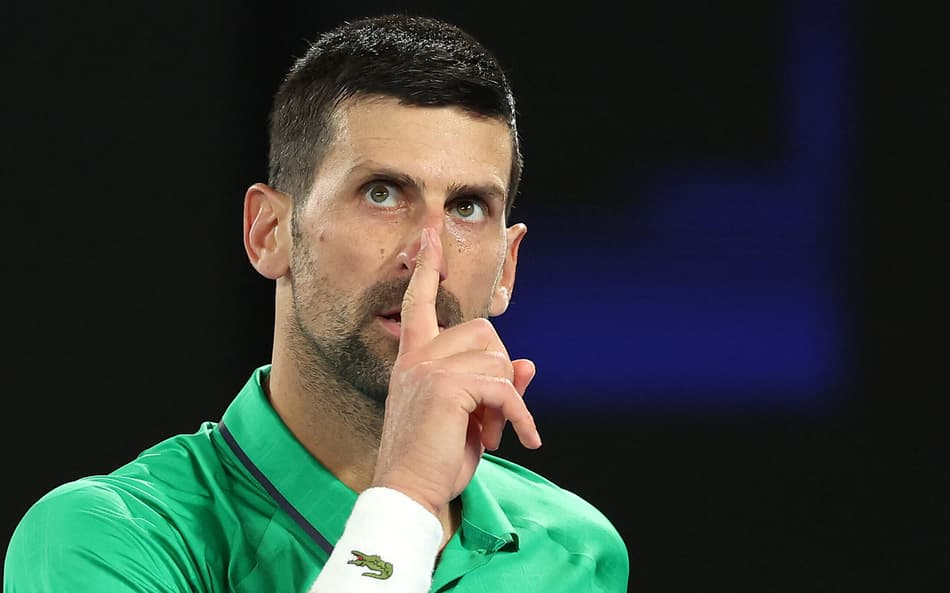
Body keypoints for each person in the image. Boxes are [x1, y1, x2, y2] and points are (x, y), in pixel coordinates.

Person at [4, 13, 629, 593]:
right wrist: (405, 501)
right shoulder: (104, 542)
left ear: (506, 268)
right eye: (381, 193)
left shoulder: (578, 554)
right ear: (269, 232)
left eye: (467, 208)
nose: (427, 255)